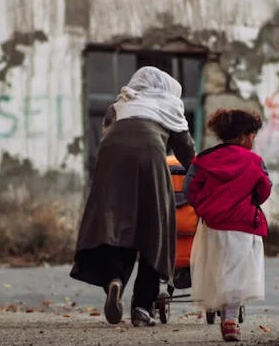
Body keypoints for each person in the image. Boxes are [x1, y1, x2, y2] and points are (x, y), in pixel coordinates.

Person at [70, 66, 196, 327]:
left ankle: (114, 278)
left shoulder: (123, 102)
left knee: (119, 223)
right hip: (149, 155)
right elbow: (187, 151)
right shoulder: (169, 105)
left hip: (111, 155)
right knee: (153, 229)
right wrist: (202, 171)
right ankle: (142, 307)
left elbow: (107, 131)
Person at [183, 109, 271, 342]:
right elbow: (263, 190)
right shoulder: (254, 162)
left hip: (213, 225)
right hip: (243, 225)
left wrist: (205, 207)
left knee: (217, 266)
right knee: (237, 271)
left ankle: (220, 308)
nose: (253, 140)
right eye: (253, 135)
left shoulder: (203, 159)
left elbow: (189, 190)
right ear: (243, 136)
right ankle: (230, 319)